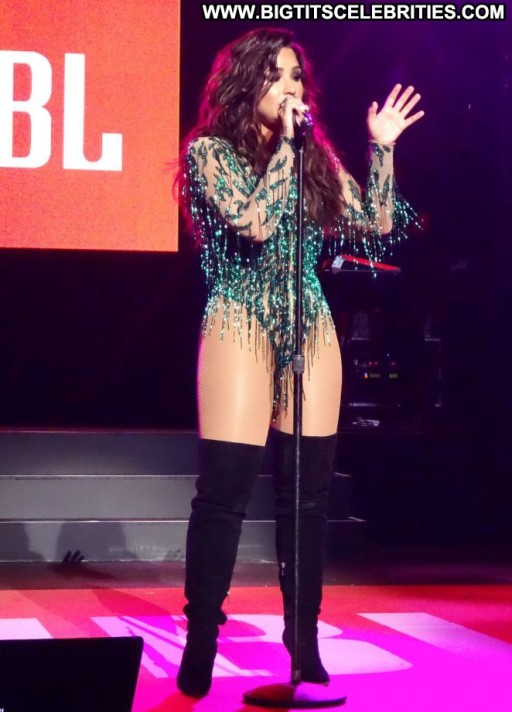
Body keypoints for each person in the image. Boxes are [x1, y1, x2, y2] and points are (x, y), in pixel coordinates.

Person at [176, 27, 423, 697]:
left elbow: (376, 223)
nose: (292, 88)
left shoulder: (314, 155)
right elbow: (253, 222)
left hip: (309, 322)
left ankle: (303, 642)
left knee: (308, 497)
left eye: (297, 76)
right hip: (239, 318)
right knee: (224, 493)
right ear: (246, 82)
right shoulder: (210, 152)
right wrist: (288, 146)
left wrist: (381, 148)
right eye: (278, 75)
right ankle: (201, 640)